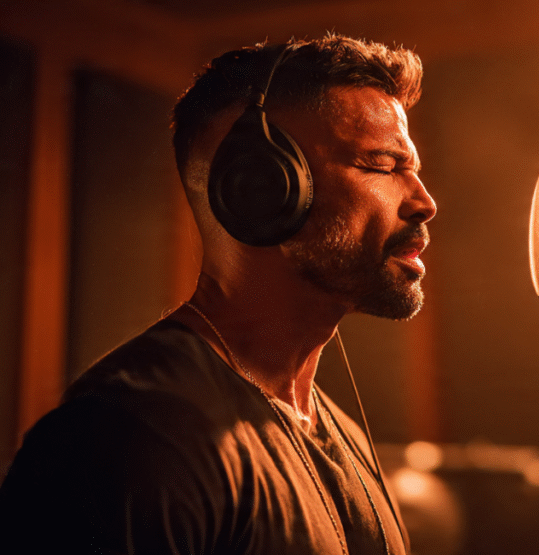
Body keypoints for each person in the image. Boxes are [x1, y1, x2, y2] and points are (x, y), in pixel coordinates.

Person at [0, 33, 435, 555]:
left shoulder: (347, 440)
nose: (424, 202)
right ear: (264, 187)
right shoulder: (132, 437)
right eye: (383, 166)